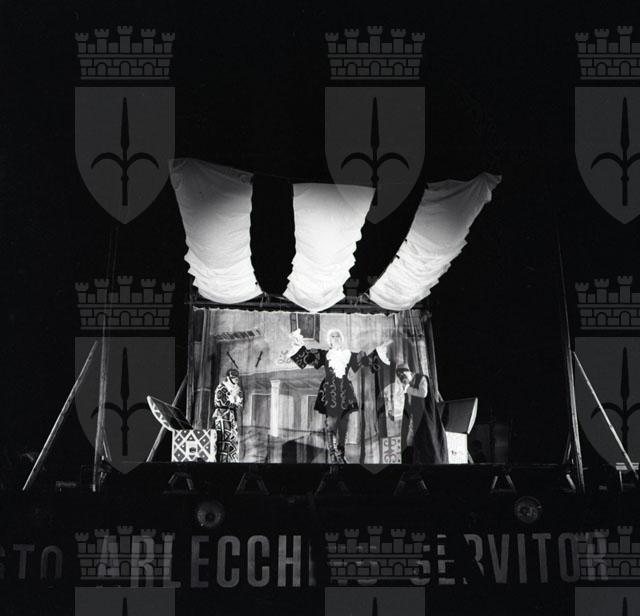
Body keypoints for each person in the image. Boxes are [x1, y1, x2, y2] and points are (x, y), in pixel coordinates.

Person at [288, 328, 390, 464]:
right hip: (330, 390)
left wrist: (379, 351)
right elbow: (308, 357)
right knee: (331, 423)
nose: (336, 338)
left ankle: (341, 454)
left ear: (341, 340)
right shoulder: (325, 354)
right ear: (329, 341)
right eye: (333, 336)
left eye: (338, 336)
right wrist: (298, 344)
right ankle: (332, 454)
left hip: (345, 390)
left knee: (343, 424)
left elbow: (366, 360)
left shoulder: (348, 354)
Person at [396, 365, 448, 464]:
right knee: (409, 441)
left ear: (408, 372)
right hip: (413, 417)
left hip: (424, 417)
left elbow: (423, 393)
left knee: (426, 439)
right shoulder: (408, 383)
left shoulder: (421, 378)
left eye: (403, 376)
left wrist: (408, 389)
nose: (403, 379)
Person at [211, 368, 243, 463]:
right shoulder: (221, 387)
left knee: (233, 440)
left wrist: (235, 399)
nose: (236, 379)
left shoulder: (237, 388)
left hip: (232, 416)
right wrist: (232, 397)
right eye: (234, 378)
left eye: (237, 378)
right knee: (223, 439)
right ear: (228, 378)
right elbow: (221, 402)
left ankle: (232, 462)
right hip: (222, 415)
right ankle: (222, 462)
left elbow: (239, 403)